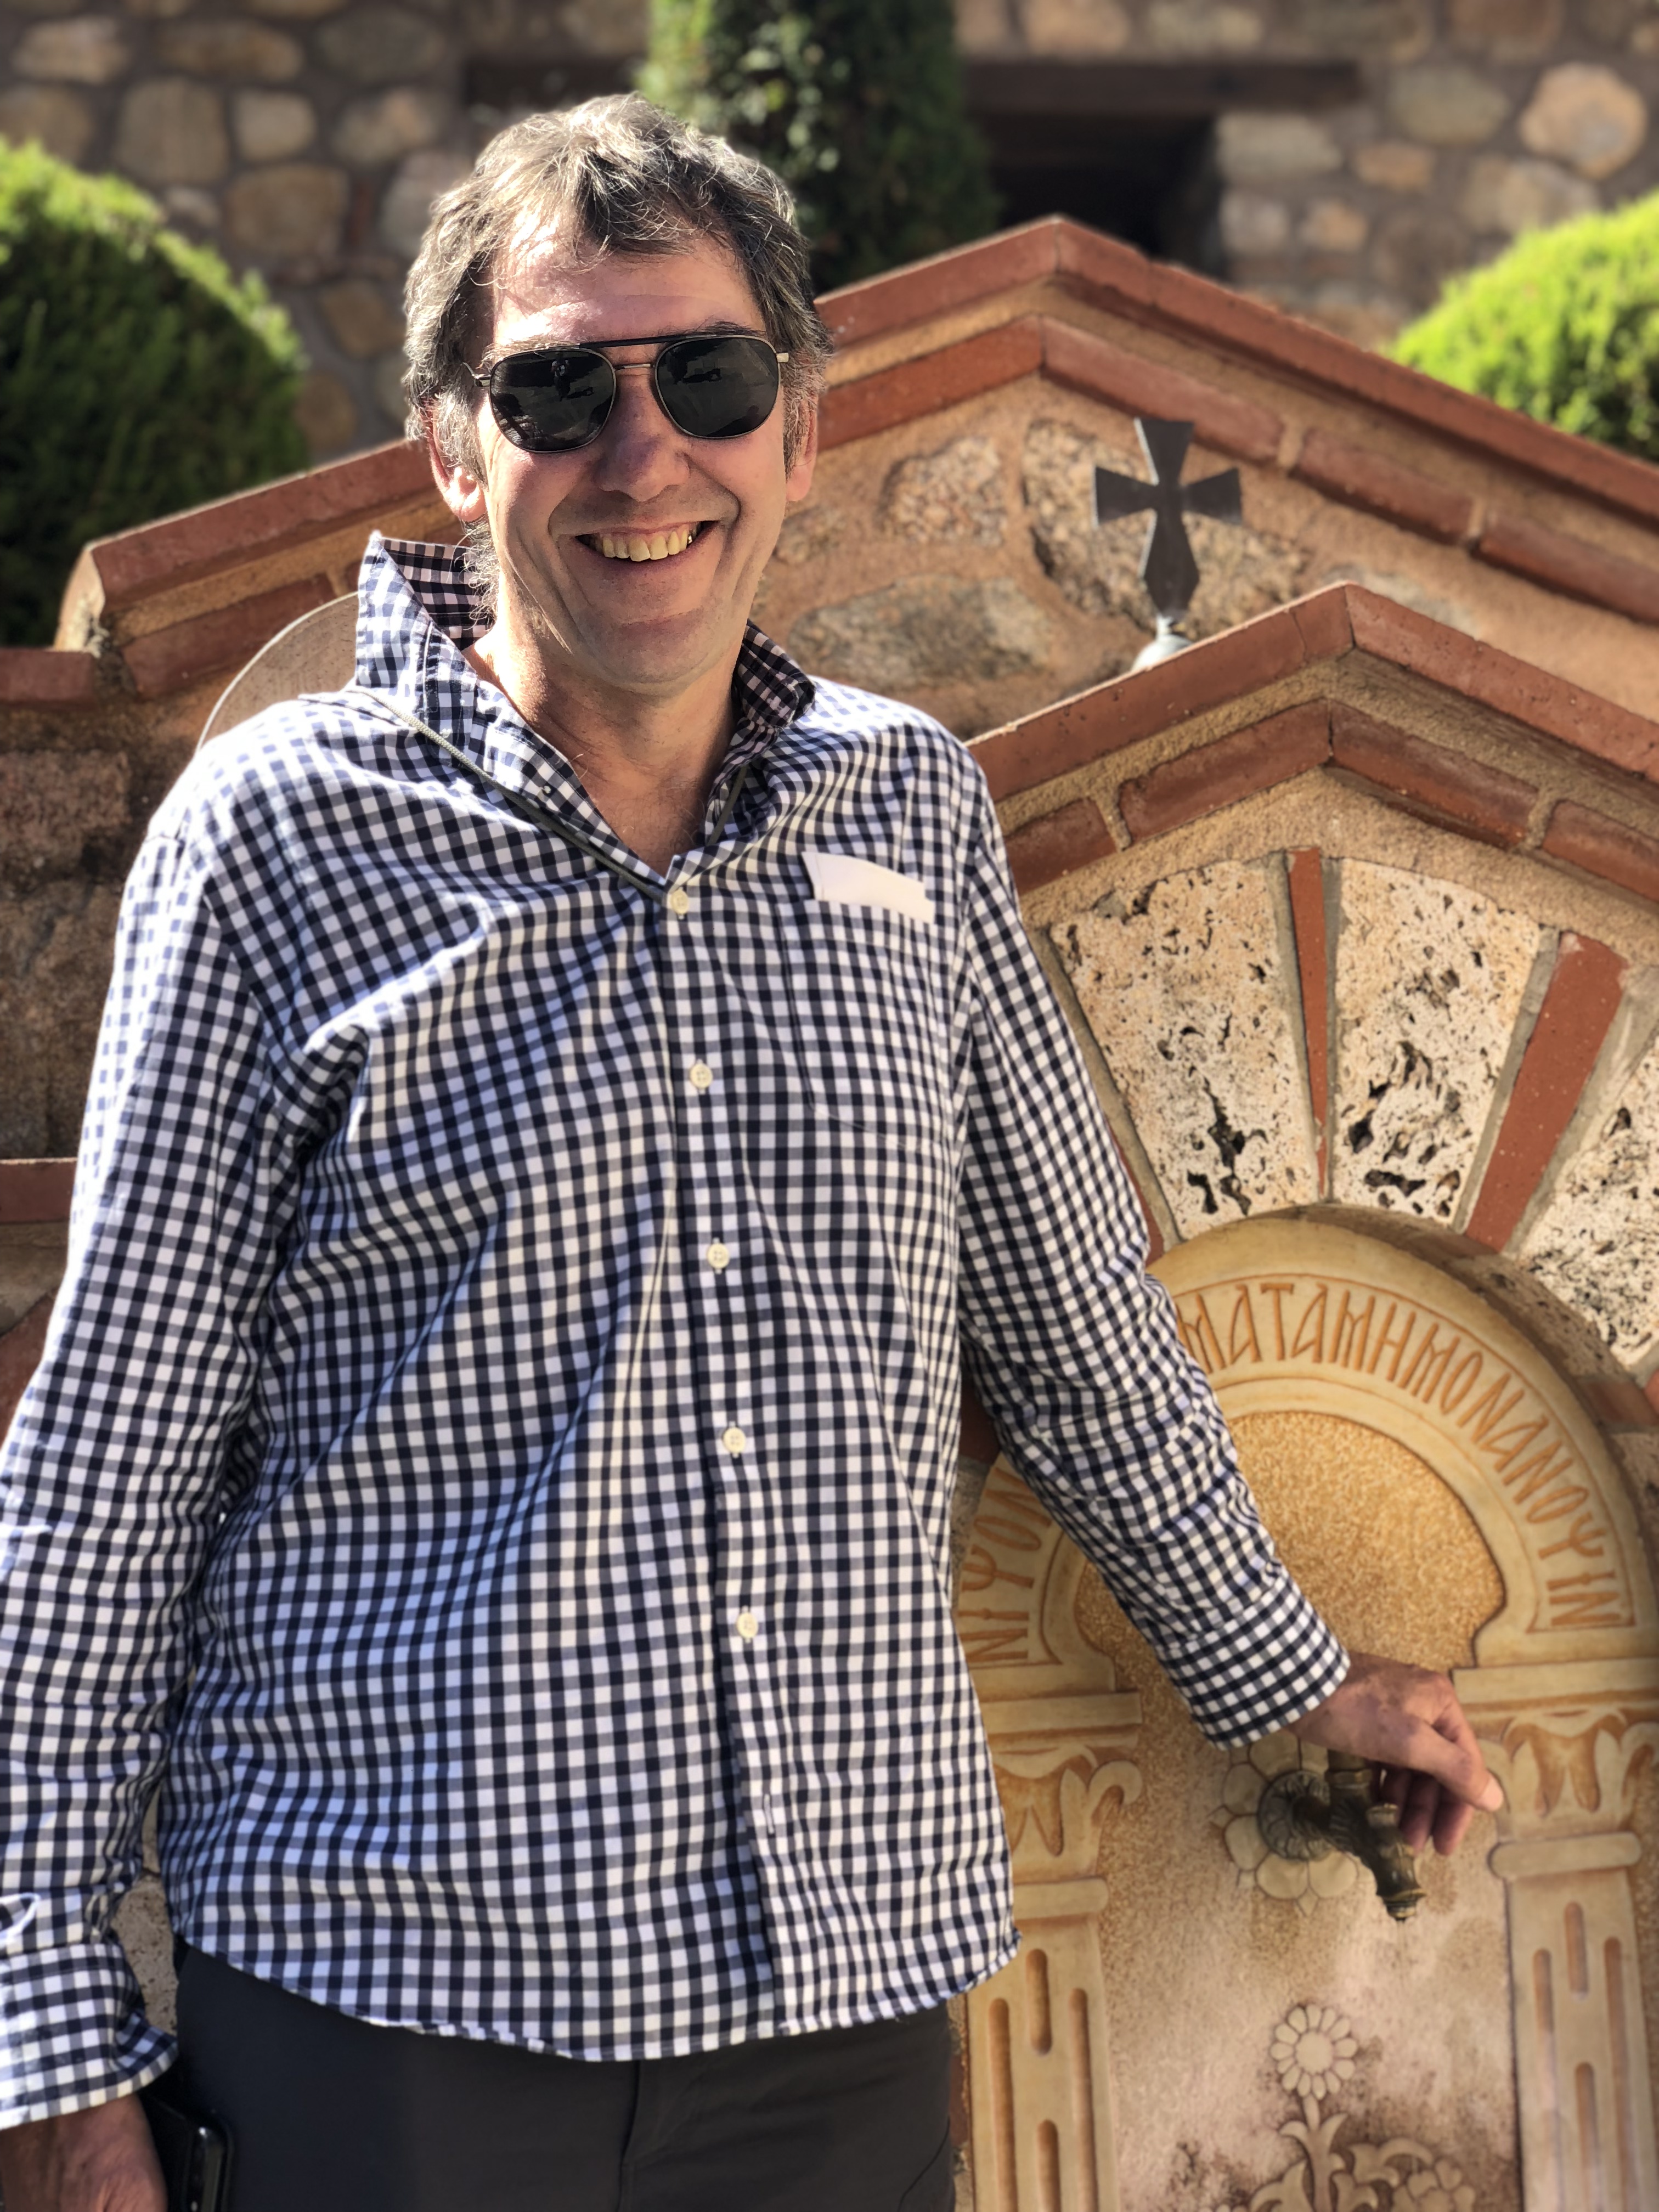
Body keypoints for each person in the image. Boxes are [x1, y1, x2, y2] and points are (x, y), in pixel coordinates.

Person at [0, 97, 1501, 2212]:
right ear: (453, 449)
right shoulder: (276, 843)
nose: (643, 457)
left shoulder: (910, 817)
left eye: (705, 377)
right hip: (396, 2013)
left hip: (838, 2020)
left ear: (799, 428)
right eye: (558, 393)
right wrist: (50, 2039)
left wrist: (1292, 1679)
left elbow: (1075, 1325)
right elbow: (112, 1463)